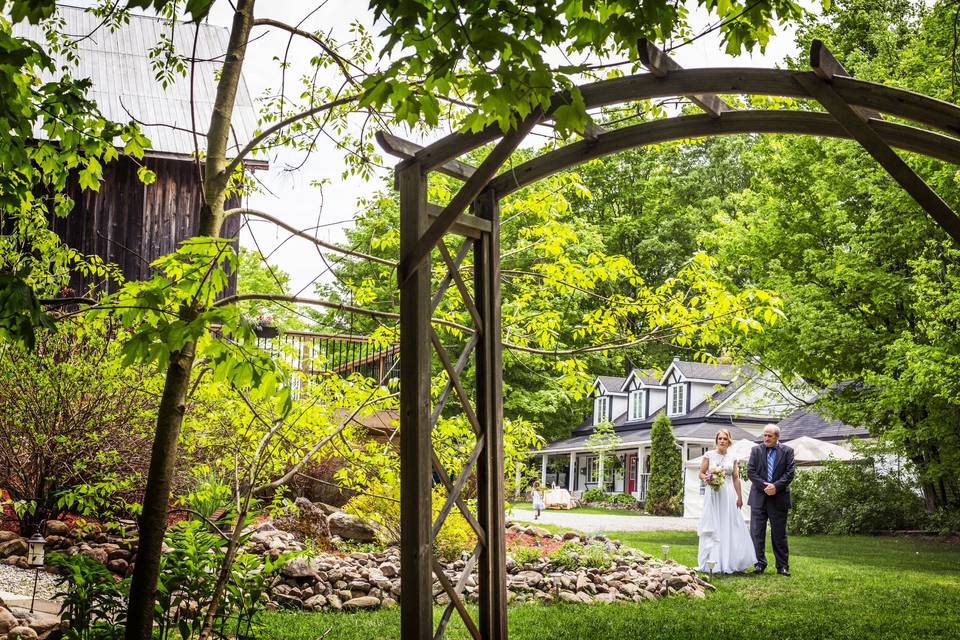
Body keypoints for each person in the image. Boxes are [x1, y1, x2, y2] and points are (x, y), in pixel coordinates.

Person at [697, 429, 758, 573]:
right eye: (720, 439)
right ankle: (712, 561)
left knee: (730, 524)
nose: (722, 441)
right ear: (716, 440)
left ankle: (731, 560)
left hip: (729, 494)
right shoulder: (709, 455)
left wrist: (739, 497)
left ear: (729, 441)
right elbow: (701, 473)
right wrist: (707, 478)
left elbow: (736, 478)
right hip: (713, 494)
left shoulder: (733, 457)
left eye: (725, 438)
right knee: (714, 524)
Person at [747, 423, 796, 576]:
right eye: (765, 435)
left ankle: (782, 566)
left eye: (770, 436)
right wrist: (765, 486)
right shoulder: (756, 450)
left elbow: (790, 473)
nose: (766, 438)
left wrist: (776, 486)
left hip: (779, 498)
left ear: (777, 437)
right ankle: (759, 564)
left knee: (779, 534)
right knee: (756, 533)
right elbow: (750, 471)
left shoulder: (788, 451)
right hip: (759, 497)